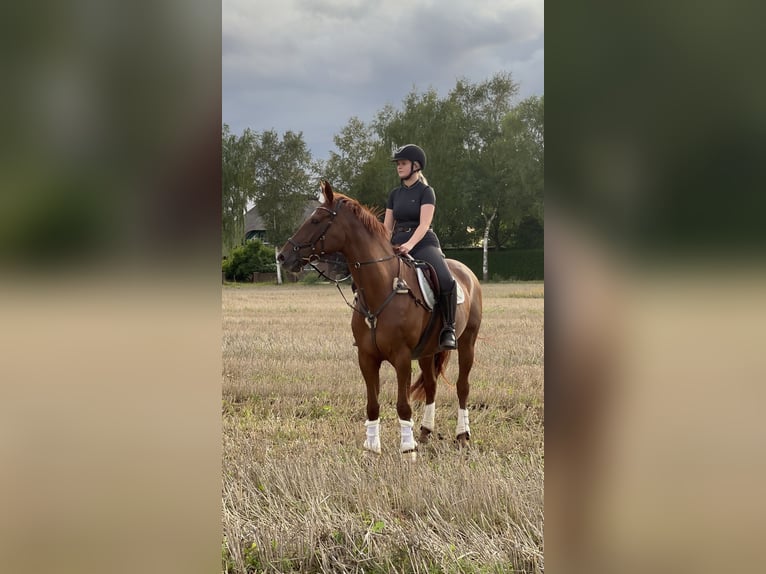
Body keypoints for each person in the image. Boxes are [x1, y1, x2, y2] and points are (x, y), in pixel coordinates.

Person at [383, 144, 457, 350]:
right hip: (397, 243)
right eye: (398, 164)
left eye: (403, 163)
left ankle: (449, 328)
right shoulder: (394, 194)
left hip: (423, 242)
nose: (399, 167)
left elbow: (424, 224)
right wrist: (381, 245)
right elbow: (386, 227)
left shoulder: (426, 192)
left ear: (416, 166)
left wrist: (409, 245)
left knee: (446, 280)